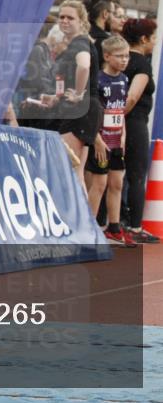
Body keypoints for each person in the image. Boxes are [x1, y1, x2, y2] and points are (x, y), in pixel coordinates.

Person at [85, 35, 136, 247]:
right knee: (99, 184)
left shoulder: (124, 79)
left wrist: (122, 134)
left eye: (127, 56)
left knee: (117, 183)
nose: (124, 60)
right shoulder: (97, 80)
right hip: (100, 140)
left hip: (116, 140)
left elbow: (121, 110)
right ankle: (88, 229)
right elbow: (91, 112)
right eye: (119, 56)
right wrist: (96, 139)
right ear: (106, 56)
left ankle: (114, 228)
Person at [53, 0, 102, 186]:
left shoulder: (80, 43)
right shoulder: (80, 42)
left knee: (66, 169)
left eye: (70, 18)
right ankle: (82, 216)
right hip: (87, 109)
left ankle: (75, 215)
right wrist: (56, 96)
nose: (64, 21)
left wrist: (79, 94)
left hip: (81, 110)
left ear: (81, 20)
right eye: (61, 17)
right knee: (76, 172)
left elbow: (83, 66)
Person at [121, 17, 159, 243]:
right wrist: (118, 118)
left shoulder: (123, 60)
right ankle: (135, 227)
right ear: (144, 39)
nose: (155, 43)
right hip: (133, 123)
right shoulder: (142, 64)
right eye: (153, 38)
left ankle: (116, 222)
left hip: (123, 121)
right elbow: (133, 96)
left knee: (117, 175)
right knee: (136, 175)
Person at [87, 0, 113, 66]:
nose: (114, 17)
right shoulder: (106, 42)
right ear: (105, 14)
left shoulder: (82, 34)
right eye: (113, 13)